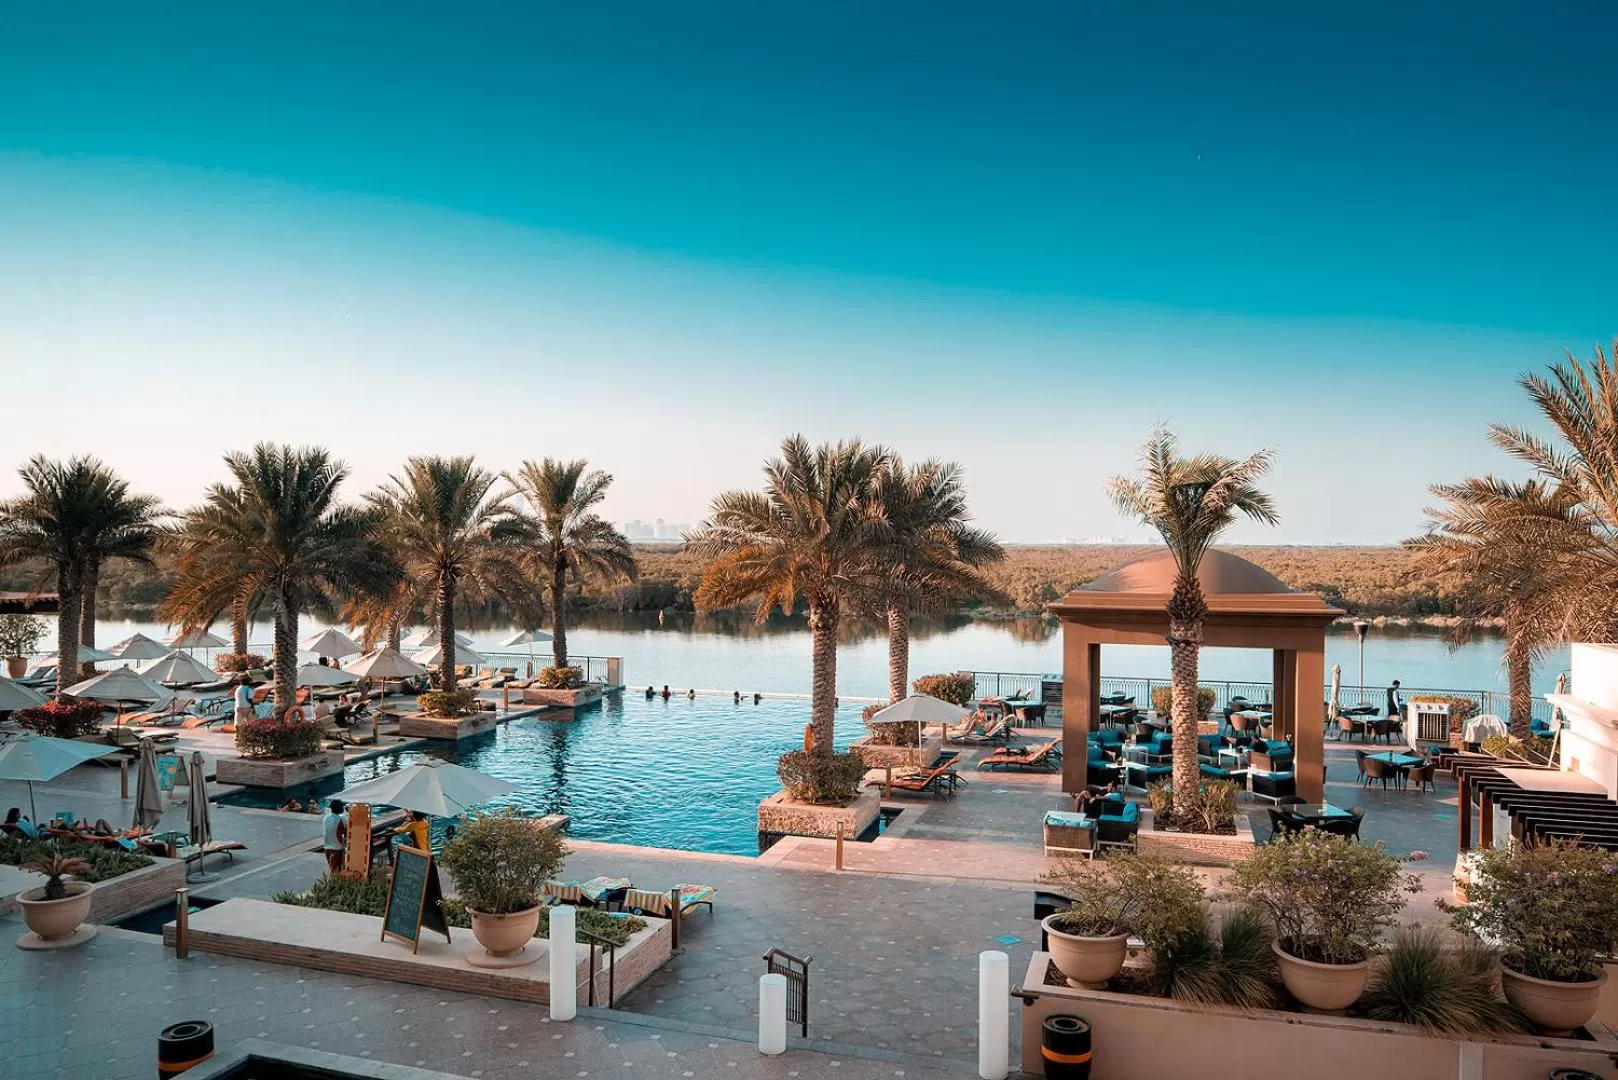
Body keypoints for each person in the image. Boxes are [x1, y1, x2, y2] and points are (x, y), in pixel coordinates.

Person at [322, 799, 348, 876]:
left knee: (332, 869)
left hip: (326, 847)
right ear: (340, 808)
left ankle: (330, 885)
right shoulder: (342, 819)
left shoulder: (325, 818)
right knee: (338, 871)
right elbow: (347, 830)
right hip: (337, 848)